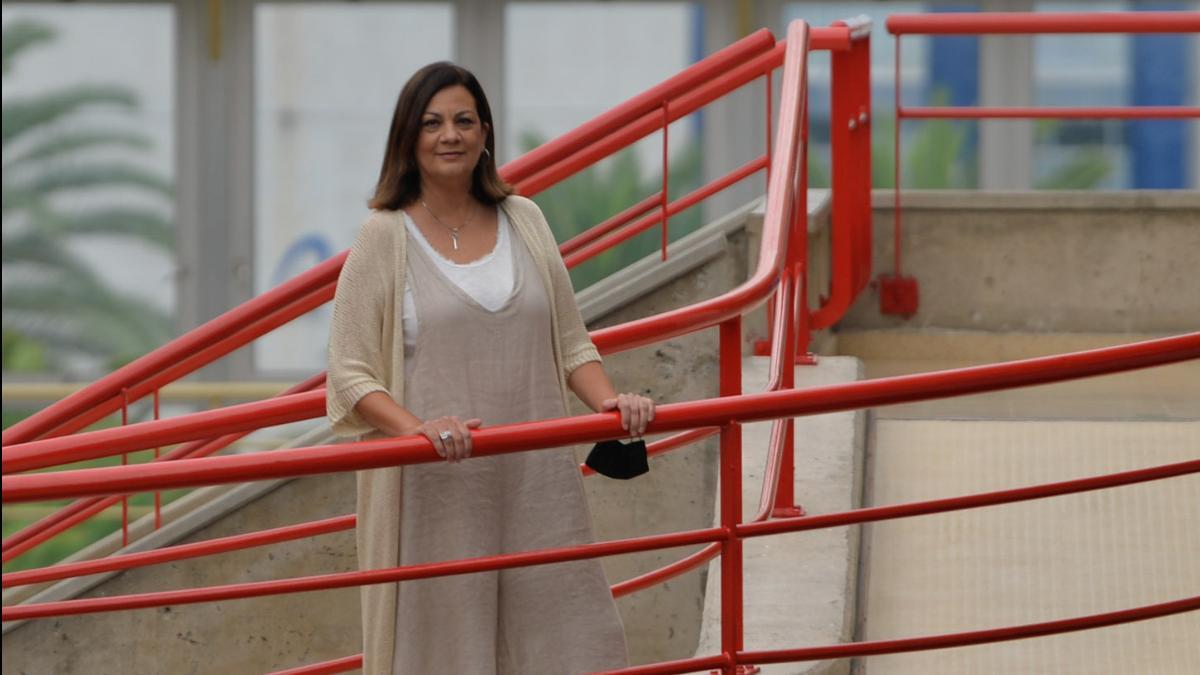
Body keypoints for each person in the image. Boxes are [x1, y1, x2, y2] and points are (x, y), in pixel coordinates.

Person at [326, 61, 655, 675]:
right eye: (432, 123)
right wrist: (416, 429)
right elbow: (350, 374)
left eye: (463, 120)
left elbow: (570, 341)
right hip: (435, 488)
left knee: (569, 637)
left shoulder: (524, 219)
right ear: (408, 138)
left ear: (484, 135)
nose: (449, 135)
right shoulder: (383, 236)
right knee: (443, 648)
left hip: (537, 479)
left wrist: (611, 405)